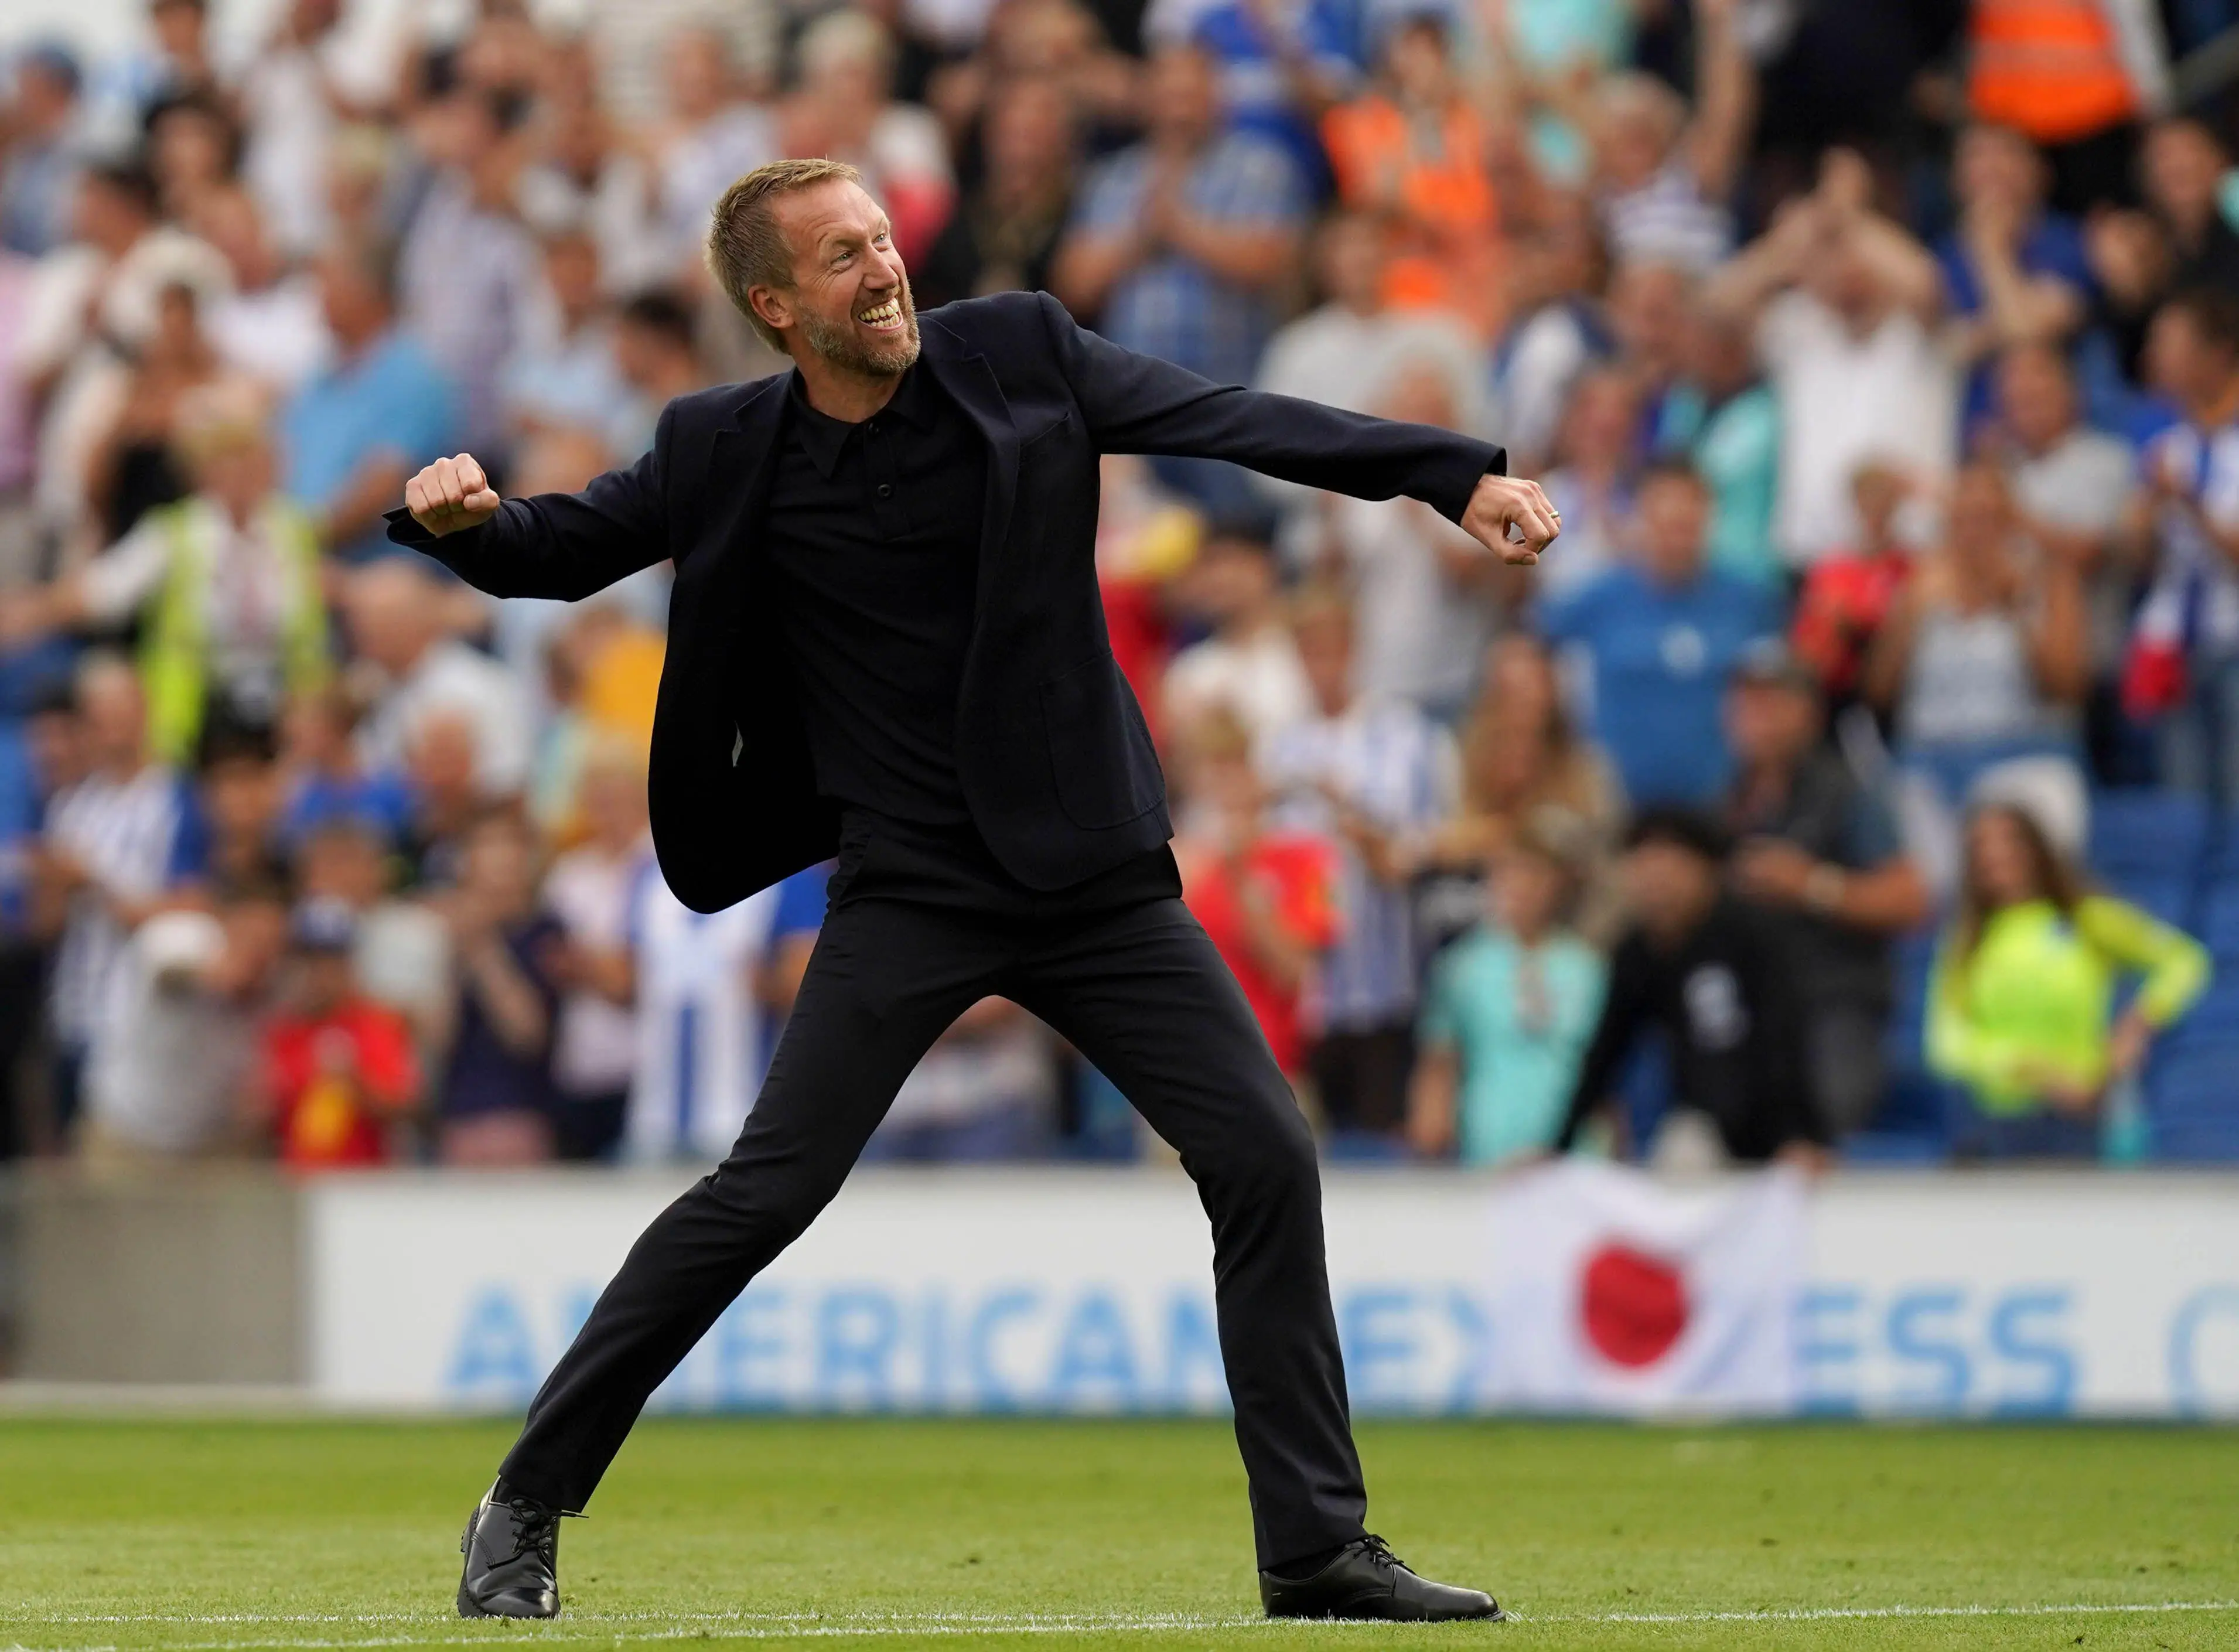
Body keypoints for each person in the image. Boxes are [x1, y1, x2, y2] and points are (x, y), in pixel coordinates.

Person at [400, 157, 1554, 1623]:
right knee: (765, 1193)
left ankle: (1315, 1545)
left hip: (1093, 874)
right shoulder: (721, 445)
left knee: (1265, 1148)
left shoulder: (1020, 351)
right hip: (911, 885)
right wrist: (464, 523)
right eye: (840, 257)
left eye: (882, 238)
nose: (882, 269)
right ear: (774, 305)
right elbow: (561, 548)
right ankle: (524, 1501)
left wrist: (1450, 472)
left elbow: (1233, 416)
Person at [1260, 590, 1453, 1136]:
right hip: (1309, 984)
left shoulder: (1402, 734)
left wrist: (1354, 817)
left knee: (1381, 1131)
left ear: (1354, 651)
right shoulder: (1283, 749)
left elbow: (1423, 843)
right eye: (1309, 652)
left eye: (1332, 650)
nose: (1322, 666)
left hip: (1385, 977)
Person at [1723, 643, 1929, 1137]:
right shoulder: (1728, 801)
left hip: (1834, 1003)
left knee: (1823, 1120)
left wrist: (1812, 885)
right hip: (1751, 1004)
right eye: (1746, 702)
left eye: (1773, 702)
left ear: (1809, 713)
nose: (1758, 717)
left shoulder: (1848, 792)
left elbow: (1911, 898)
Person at [1929, 801, 2209, 1161]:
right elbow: (1945, 1044)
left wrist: (2139, 1023)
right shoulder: (1966, 938)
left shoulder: (2086, 919)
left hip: (2078, 1115)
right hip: (1995, 1122)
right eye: (1982, 846)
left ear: (2035, 848)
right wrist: (2027, 1067)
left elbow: (2184, 960)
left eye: (2009, 842)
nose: (1995, 856)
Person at [1555, 807, 1827, 1168]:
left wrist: (1799, 1136)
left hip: (1774, 1132)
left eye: (1668, 868)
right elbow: (1605, 1054)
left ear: (1705, 869)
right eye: (1643, 868)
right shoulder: (1637, 953)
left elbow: (1783, 1040)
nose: (1655, 884)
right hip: (1705, 1127)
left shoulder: (1751, 936)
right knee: (1681, 1152)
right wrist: (1557, 1147)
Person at [1543, 459, 1782, 808]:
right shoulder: (1600, 597)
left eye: (1687, 526)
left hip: (1720, 802)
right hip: (1617, 800)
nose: (1676, 540)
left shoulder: (1749, 600)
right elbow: (1530, 651)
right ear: (1641, 520)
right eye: (1666, 524)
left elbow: (1777, 690)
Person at [1407, 820, 1603, 1166]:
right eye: (1510, 873)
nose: (1522, 887)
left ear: (1560, 885)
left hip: (1578, 1156)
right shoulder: (1464, 966)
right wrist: (1430, 1135)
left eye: (1536, 874)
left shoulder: (1589, 968)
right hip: (1491, 1151)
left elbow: (1605, 1065)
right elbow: (1440, 1061)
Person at [1171, 708, 1339, 1094]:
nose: (1221, 786)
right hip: (1185, 1079)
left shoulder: (1307, 857)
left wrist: (1241, 876)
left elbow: (1294, 972)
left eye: (1231, 767)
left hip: (1275, 1075)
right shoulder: (1177, 862)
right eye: (1208, 772)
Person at [258, 895, 422, 1168]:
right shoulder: (284, 1030)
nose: (323, 973)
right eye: (312, 962)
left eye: (333, 961)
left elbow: (405, 1106)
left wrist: (355, 1082)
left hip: (362, 1184)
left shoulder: (377, 1023)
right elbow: (262, 1112)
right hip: (298, 1180)